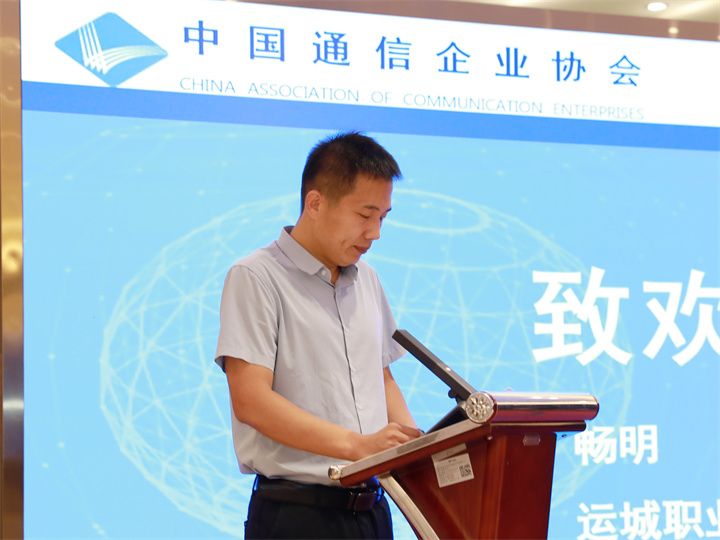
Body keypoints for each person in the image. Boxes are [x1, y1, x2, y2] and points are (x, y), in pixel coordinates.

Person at [215, 132, 420, 539]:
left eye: (383, 217)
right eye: (365, 215)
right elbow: (251, 400)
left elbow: (381, 378)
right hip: (299, 515)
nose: (375, 232)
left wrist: (417, 453)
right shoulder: (256, 277)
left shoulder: (367, 279)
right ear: (315, 203)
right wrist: (356, 445)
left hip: (373, 512)